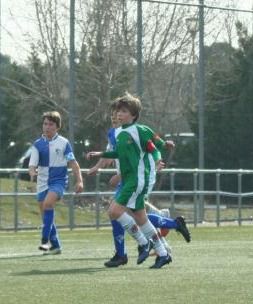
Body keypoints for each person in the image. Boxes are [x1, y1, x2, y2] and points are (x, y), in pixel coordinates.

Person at [87, 93, 174, 268]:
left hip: (136, 180)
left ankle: (144, 243)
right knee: (141, 218)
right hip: (130, 180)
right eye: (118, 111)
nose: (119, 114)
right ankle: (163, 254)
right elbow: (119, 153)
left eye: (124, 111)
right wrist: (101, 154)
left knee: (114, 212)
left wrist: (165, 146)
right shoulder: (120, 133)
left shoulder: (139, 130)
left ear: (133, 115)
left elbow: (153, 143)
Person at [28, 111, 84, 255]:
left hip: (58, 182)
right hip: (42, 184)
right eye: (45, 124)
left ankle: (44, 241)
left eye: (51, 124)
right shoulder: (37, 144)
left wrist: (79, 181)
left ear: (57, 127)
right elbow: (32, 165)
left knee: (48, 204)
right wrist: (32, 172)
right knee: (46, 216)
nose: (47, 127)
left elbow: (73, 163)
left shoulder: (64, 143)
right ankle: (56, 245)